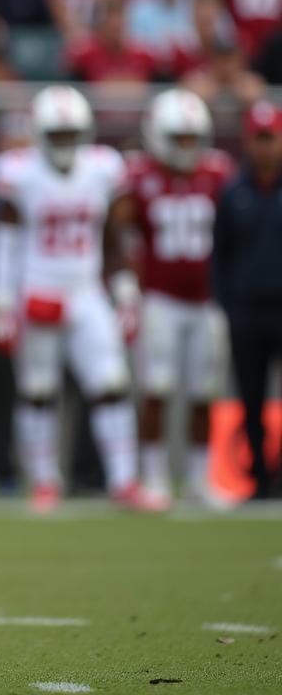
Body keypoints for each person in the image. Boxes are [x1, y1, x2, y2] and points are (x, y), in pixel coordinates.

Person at [0, 85, 160, 513]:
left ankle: (124, 481)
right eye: (57, 134)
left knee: (111, 383)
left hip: (85, 292)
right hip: (38, 292)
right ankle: (44, 482)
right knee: (38, 391)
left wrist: (125, 291)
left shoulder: (102, 168)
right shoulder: (18, 171)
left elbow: (116, 237)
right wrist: (2, 302)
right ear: (41, 133)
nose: (64, 142)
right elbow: (5, 242)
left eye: (71, 133)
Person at [121, 89, 234, 505]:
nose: (187, 146)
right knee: (157, 388)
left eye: (192, 138)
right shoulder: (139, 175)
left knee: (204, 392)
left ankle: (198, 479)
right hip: (159, 298)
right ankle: (153, 477)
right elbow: (118, 233)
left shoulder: (219, 173)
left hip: (207, 300)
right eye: (179, 138)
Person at [213, 101, 282, 500]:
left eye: (270, 138)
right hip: (247, 311)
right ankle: (258, 475)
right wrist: (228, 305)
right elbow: (219, 254)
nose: (265, 147)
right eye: (259, 139)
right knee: (251, 398)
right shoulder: (233, 191)